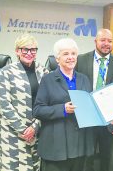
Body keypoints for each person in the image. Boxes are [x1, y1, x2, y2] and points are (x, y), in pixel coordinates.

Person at [33, 38, 94, 171]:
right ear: (57, 58)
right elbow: (38, 110)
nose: (70, 57)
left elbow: (90, 108)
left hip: (80, 145)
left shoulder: (84, 79)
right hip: (56, 146)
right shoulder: (48, 80)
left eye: (73, 54)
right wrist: (63, 109)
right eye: (66, 54)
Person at [76, 28, 113, 171]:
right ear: (95, 41)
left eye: (110, 41)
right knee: (86, 160)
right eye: (103, 40)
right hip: (87, 119)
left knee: (108, 160)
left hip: (110, 121)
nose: (106, 44)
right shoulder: (80, 60)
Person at [0, 34, 49, 171]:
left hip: (36, 130)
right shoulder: (6, 72)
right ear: (17, 51)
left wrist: (34, 127)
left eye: (33, 50)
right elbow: (4, 104)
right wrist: (23, 129)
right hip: (12, 133)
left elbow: (47, 102)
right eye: (25, 49)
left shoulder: (43, 71)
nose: (29, 53)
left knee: (34, 166)